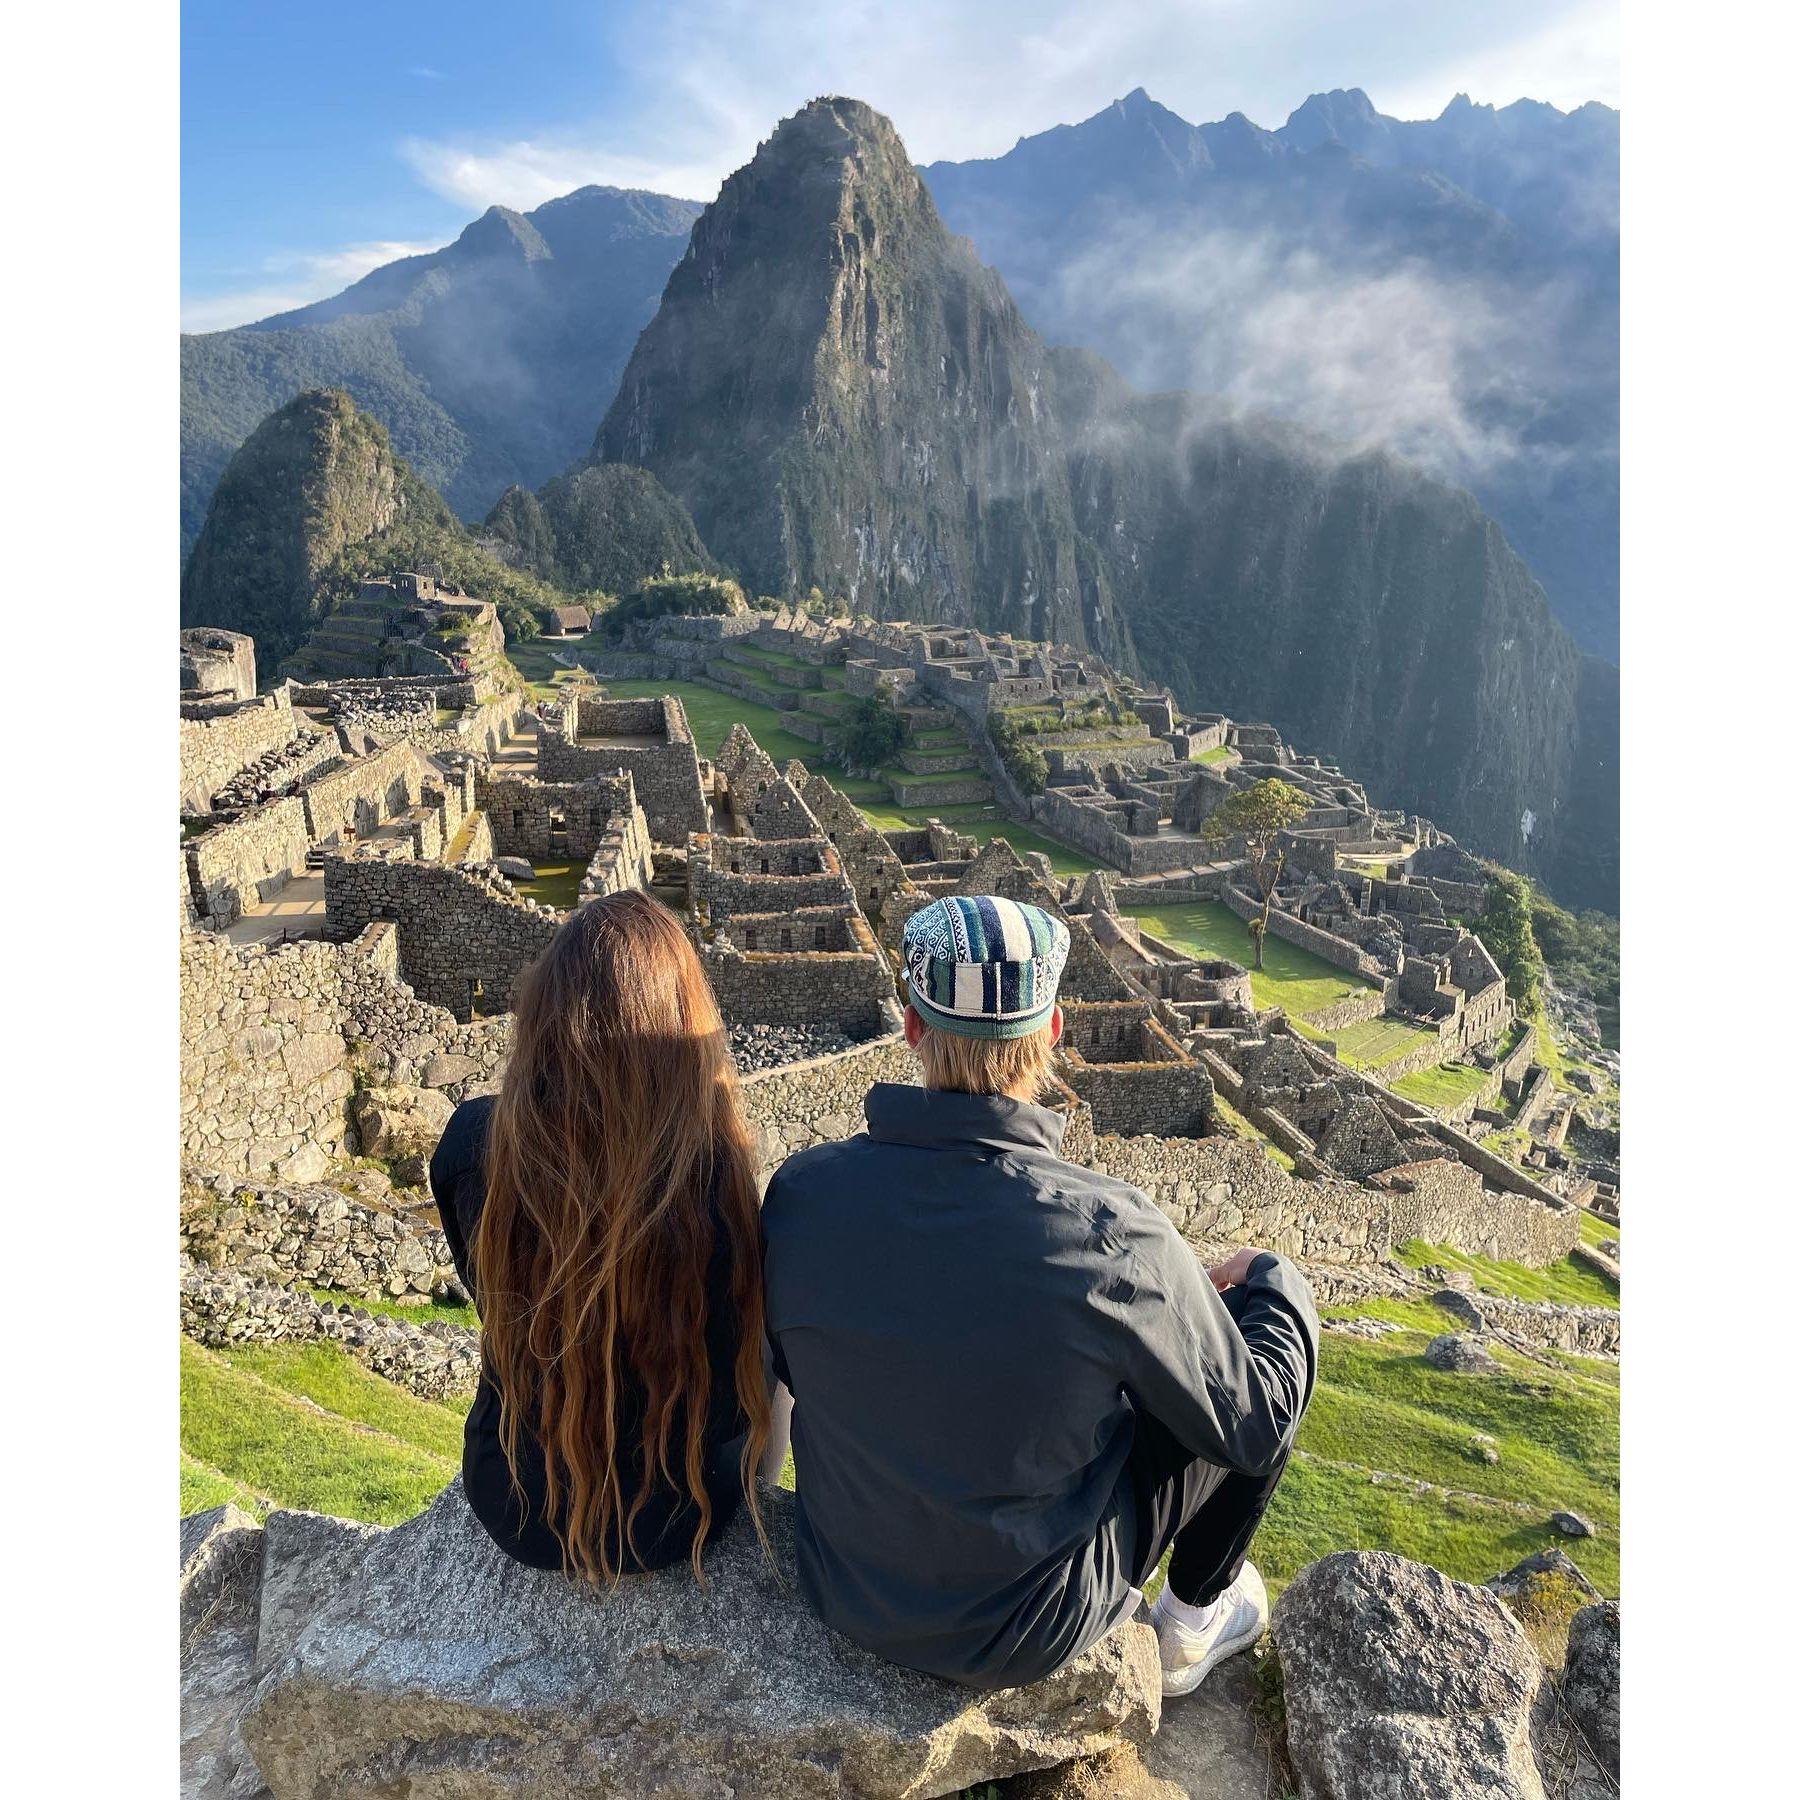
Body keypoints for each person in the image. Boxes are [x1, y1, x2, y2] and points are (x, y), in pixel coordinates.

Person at [762, 894, 1318, 1694]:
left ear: (912, 1027)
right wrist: (1277, 1283)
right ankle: (1192, 1622)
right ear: (1053, 1033)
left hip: (844, 1582)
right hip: (1026, 1622)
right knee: (1244, 1356)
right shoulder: (1114, 1231)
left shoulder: (803, 1195)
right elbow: (1254, 1430)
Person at [429, 890, 788, 1581]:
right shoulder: (720, 1174)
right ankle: (760, 1490)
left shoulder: (475, 1144)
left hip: (516, 1501)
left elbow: (488, 1295)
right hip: (690, 1512)